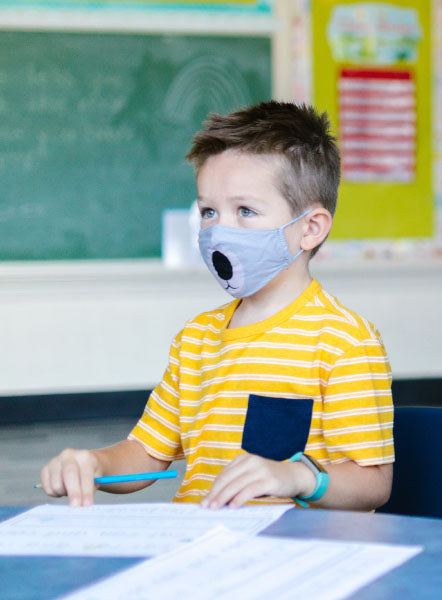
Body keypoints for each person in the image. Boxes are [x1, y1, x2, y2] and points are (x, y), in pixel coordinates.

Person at [39, 101, 393, 511]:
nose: (220, 230)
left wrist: (298, 477)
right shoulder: (197, 338)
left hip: (292, 556)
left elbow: (372, 484)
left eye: (245, 210)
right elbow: (147, 453)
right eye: (209, 211)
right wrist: (93, 463)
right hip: (200, 549)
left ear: (310, 228)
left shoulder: (344, 341)